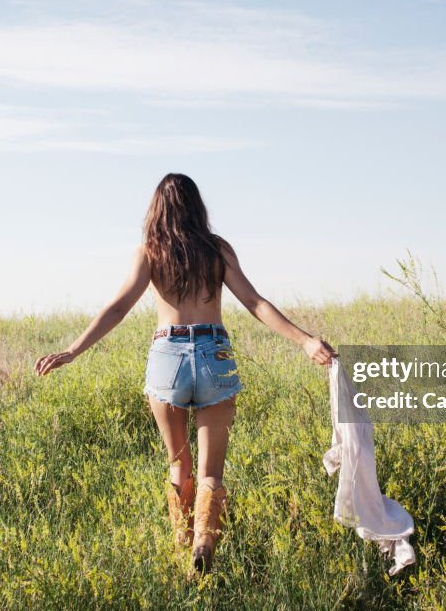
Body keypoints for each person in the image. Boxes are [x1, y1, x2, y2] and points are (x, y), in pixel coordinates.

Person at [34, 173, 336, 575]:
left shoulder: (150, 252)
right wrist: (304, 341)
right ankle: (204, 542)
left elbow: (118, 307)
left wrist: (73, 350)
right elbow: (255, 302)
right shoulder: (217, 250)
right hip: (215, 353)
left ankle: (183, 551)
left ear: (157, 208)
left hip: (167, 355)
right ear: (198, 206)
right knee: (212, 472)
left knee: (180, 465)